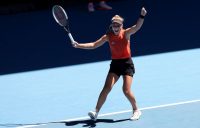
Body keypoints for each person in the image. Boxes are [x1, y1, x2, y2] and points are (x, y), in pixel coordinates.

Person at [72, 7, 147, 121]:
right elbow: (93, 45)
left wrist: (142, 16)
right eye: (114, 25)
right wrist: (78, 45)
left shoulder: (126, 33)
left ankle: (136, 110)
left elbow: (137, 27)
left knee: (126, 90)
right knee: (107, 87)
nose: (116, 27)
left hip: (127, 64)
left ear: (121, 26)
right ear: (111, 26)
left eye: (118, 25)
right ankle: (96, 111)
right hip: (115, 65)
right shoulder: (107, 36)